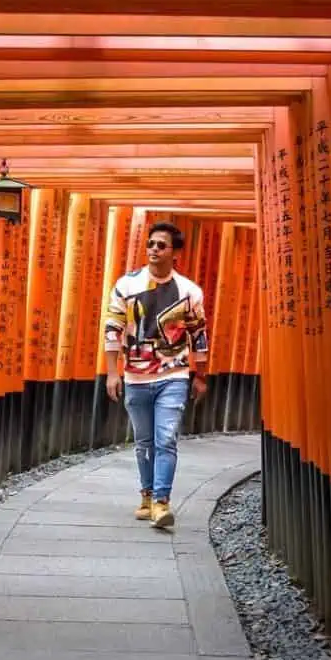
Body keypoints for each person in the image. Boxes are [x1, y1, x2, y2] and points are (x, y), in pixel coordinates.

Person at [103, 221, 209, 529]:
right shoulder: (127, 285)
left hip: (173, 375)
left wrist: (199, 375)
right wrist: (112, 373)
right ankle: (146, 495)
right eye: (150, 244)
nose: (153, 250)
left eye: (160, 245)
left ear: (175, 253)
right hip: (135, 376)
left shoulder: (189, 292)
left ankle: (162, 502)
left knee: (166, 438)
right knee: (144, 441)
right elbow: (113, 330)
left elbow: (198, 335)